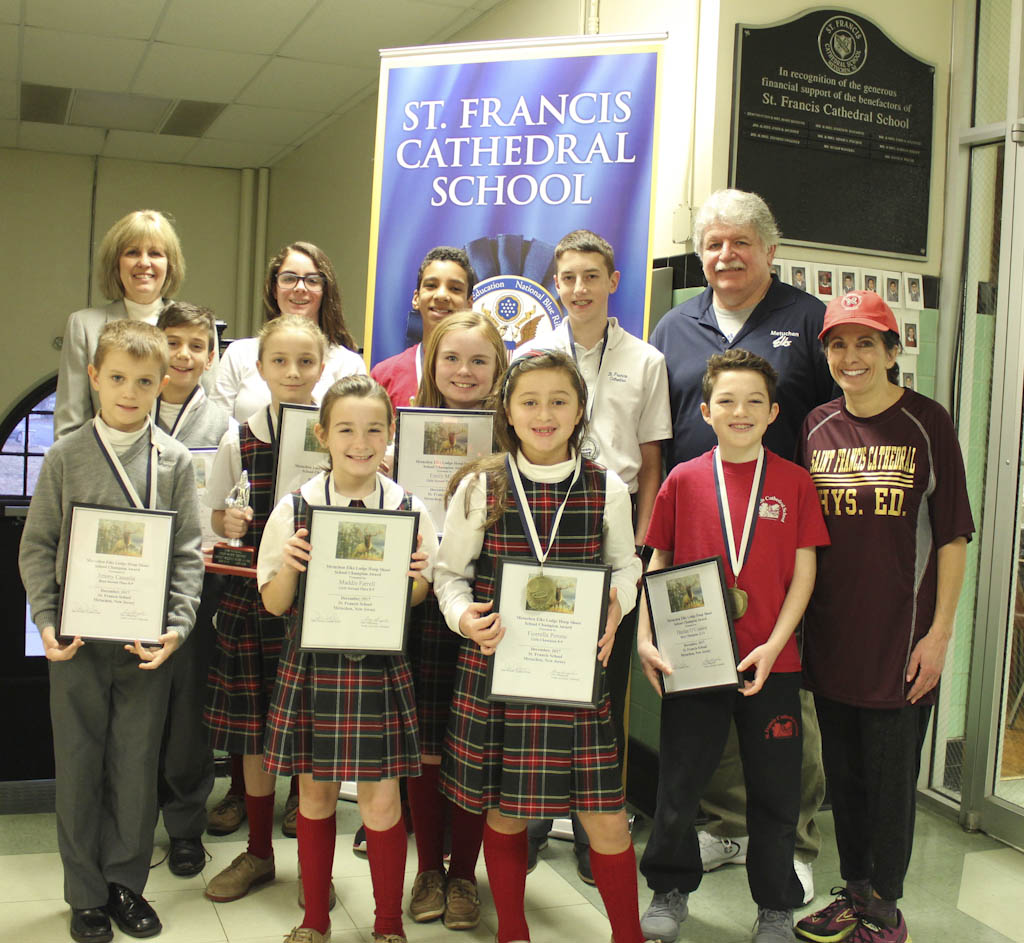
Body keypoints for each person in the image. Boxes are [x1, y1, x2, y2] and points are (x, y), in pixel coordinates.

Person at [650, 189, 835, 898]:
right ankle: (728, 824)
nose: (725, 256)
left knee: (785, 693)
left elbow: (827, 421)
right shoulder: (675, 323)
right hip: (696, 531)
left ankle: (796, 838)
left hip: (779, 533)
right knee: (707, 684)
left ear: (769, 248)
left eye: (740, 243)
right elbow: (661, 428)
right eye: (713, 245)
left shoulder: (806, 319)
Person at [434, 350, 646, 943]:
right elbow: (449, 573)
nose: (544, 413)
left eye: (559, 400)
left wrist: (617, 602)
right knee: (507, 807)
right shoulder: (482, 485)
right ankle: (514, 932)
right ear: (507, 408)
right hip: (499, 669)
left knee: (605, 819)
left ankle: (626, 935)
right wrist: (461, 617)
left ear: (581, 410)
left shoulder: (607, 489)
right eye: (530, 401)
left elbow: (626, 567)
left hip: (575, 677)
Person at [795, 291, 973, 943]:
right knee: (844, 780)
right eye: (839, 343)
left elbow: (952, 536)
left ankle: (885, 910)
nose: (851, 355)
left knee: (891, 782)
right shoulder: (815, 424)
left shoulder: (928, 422)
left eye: (867, 342)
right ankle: (854, 891)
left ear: (894, 351)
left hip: (902, 644)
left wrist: (940, 633)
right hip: (834, 638)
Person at [636, 349, 830, 943]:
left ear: (773, 412)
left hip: (773, 664)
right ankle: (670, 889)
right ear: (706, 409)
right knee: (680, 783)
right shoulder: (683, 479)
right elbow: (659, 562)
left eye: (753, 402)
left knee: (776, 791)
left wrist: (775, 644)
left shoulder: (795, 483)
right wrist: (645, 636)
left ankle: (774, 904)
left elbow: (804, 573)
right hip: (693, 660)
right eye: (726, 400)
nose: (739, 411)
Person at [20, 319, 203, 943]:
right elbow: (37, 547)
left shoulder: (174, 460)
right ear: (94, 377)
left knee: (134, 764)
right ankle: (85, 893)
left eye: (145, 381)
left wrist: (175, 628)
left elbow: (186, 554)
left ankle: (126, 883)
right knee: (77, 765)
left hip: (144, 645)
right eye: (118, 377)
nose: (130, 391)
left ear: (163, 384)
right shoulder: (66, 455)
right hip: (74, 644)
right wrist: (46, 621)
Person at [258, 375, 439, 943]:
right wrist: (289, 563)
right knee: (314, 794)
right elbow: (274, 603)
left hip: (379, 669)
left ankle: (387, 925)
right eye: (346, 430)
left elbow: (415, 600)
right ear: (322, 435)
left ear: (390, 436)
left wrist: (413, 580)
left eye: (373, 430)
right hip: (311, 669)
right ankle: (314, 920)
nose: (360, 443)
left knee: (382, 801)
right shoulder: (295, 508)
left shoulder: (410, 508)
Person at [514, 229, 671, 880]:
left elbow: (654, 460)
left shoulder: (647, 360)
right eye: (567, 276)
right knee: (533, 682)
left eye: (590, 276)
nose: (578, 288)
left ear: (613, 281)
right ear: (556, 283)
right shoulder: (531, 352)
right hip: (543, 527)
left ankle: (588, 824)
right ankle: (528, 820)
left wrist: (638, 545)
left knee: (600, 694)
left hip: (611, 531)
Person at [202, 315, 328, 903]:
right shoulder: (239, 438)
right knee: (253, 732)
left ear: (322, 368)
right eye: (281, 361)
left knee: (309, 733)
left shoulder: (341, 432)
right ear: (260, 368)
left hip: (322, 600)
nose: (294, 373)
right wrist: (224, 522)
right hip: (254, 600)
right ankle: (258, 854)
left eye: (306, 362)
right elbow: (214, 516)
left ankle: (313, 867)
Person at [402, 311, 505, 930]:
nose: (463, 372)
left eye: (479, 361)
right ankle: (427, 871)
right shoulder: (403, 432)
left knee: (472, 746)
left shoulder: (516, 433)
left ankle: (465, 873)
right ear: (432, 364)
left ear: (498, 370)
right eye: (451, 359)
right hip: (419, 603)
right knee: (426, 744)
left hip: (483, 607)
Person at [153, 302, 231, 877]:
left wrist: (234, 522)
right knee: (132, 706)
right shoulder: (126, 407)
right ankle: (127, 819)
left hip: (197, 582)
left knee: (188, 714)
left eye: (196, 345)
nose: (183, 355)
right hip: (130, 583)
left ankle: (185, 826)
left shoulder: (226, 423)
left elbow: (235, 505)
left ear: (212, 354)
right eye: (172, 341)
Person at [54, 209, 196, 439]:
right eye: (132, 252)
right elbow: (69, 427)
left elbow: (210, 416)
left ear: (170, 265)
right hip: (102, 467)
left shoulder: (196, 328)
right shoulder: (83, 326)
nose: (144, 262)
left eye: (155, 253)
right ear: (116, 263)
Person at [212, 241, 365, 422]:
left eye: (312, 280)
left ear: (325, 291)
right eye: (289, 279)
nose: (300, 288)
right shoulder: (238, 354)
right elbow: (217, 425)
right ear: (274, 290)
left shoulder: (348, 364)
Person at [371, 247, 477, 411]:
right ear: (416, 299)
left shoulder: (484, 376)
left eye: (455, 288)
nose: (441, 295)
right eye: (431, 285)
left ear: (469, 304)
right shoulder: (384, 376)